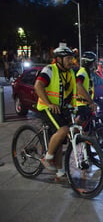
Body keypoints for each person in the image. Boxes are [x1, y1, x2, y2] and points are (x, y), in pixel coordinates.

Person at [34, 46, 77, 182]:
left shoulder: (70, 73)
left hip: (60, 108)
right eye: (68, 58)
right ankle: (47, 158)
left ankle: (60, 173)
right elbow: (38, 86)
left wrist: (75, 107)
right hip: (46, 107)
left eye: (72, 58)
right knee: (63, 130)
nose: (71, 61)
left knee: (60, 139)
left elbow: (72, 93)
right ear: (59, 59)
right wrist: (49, 104)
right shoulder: (50, 69)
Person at [75, 51, 98, 131]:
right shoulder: (82, 72)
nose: (96, 64)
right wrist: (91, 101)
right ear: (90, 62)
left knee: (86, 127)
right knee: (79, 125)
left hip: (86, 103)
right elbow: (78, 85)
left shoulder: (88, 72)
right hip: (81, 104)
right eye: (95, 61)